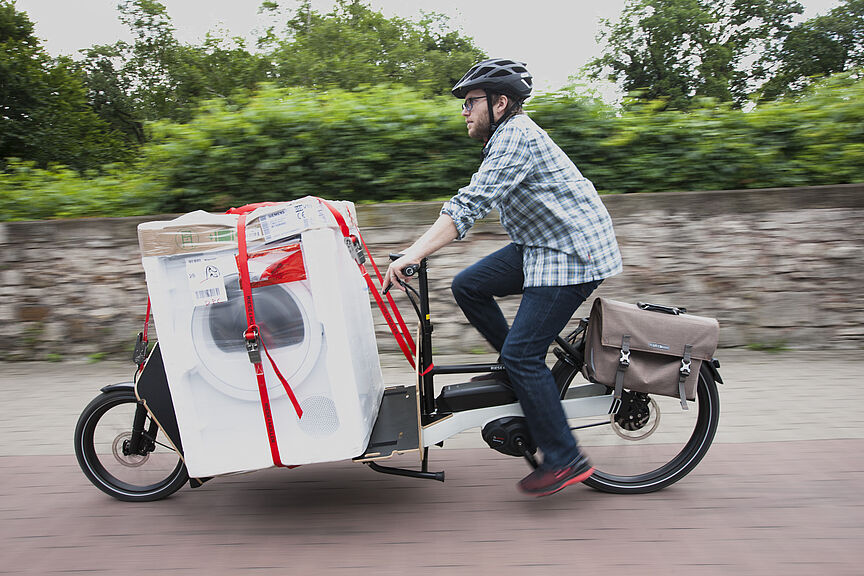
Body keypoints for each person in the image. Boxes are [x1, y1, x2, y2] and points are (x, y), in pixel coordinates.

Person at [382, 58, 623, 497]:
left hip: (570, 253)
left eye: (471, 102)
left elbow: (469, 204)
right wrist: (417, 250)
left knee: (523, 354)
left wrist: (415, 253)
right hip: (541, 244)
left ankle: (566, 457)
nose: (464, 111)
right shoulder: (503, 137)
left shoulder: (516, 136)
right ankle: (517, 375)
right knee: (469, 285)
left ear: (500, 102)